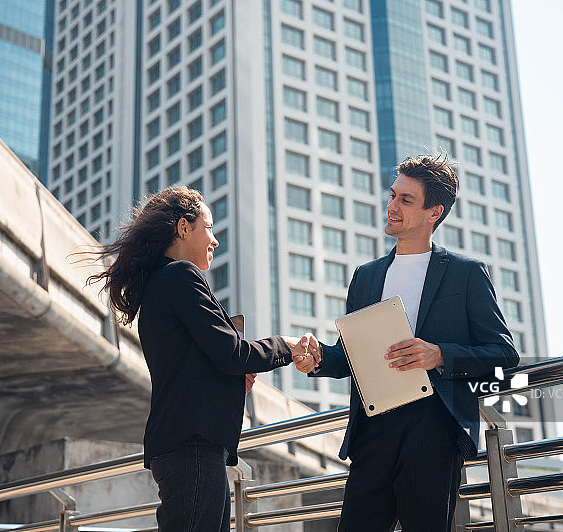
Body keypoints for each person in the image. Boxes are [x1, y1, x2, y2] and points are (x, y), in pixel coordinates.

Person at [296, 154, 519, 531]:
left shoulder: (467, 274)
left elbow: (503, 355)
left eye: (405, 200)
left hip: (433, 428)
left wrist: (439, 355)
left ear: (435, 211)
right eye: (393, 195)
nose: (391, 206)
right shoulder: (365, 277)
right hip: (372, 430)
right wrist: (318, 358)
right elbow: (351, 357)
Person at [87, 186, 317, 532]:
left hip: (186, 448)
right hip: (192, 449)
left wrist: (234, 381)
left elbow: (198, 368)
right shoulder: (181, 276)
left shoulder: (158, 286)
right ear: (183, 228)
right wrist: (285, 346)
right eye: (208, 227)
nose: (215, 241)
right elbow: (232, 353)